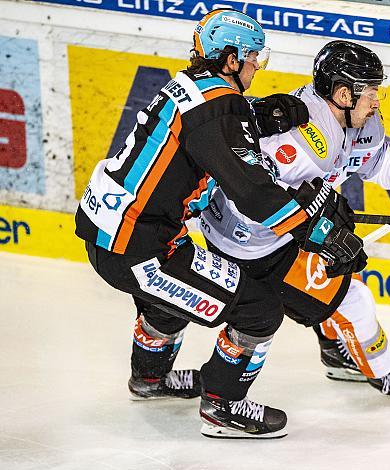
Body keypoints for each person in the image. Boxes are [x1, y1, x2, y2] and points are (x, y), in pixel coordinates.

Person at [74, 11, 365, 439]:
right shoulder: (217, 106)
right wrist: (320, 233)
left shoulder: (189, 86)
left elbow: (207, 128)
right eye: (254, 59)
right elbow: (251, 192)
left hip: (111, 233)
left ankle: (150, 380)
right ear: (231, 60)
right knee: (258, 309)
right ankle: (222, 408)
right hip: (141, 249)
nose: (256, 68)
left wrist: (255, 115)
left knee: (172, 296)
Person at [199, 40, 390, 403]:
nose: (377, 101)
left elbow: (376, 161)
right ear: (344, 93)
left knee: (342, 264)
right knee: (355, 298)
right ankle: (384, 372)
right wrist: (318, 221)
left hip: (279, 233)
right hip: (252, 244)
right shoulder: (303, 137)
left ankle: (337, 352)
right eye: (370, 93)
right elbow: (252, 196)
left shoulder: (355, 118)